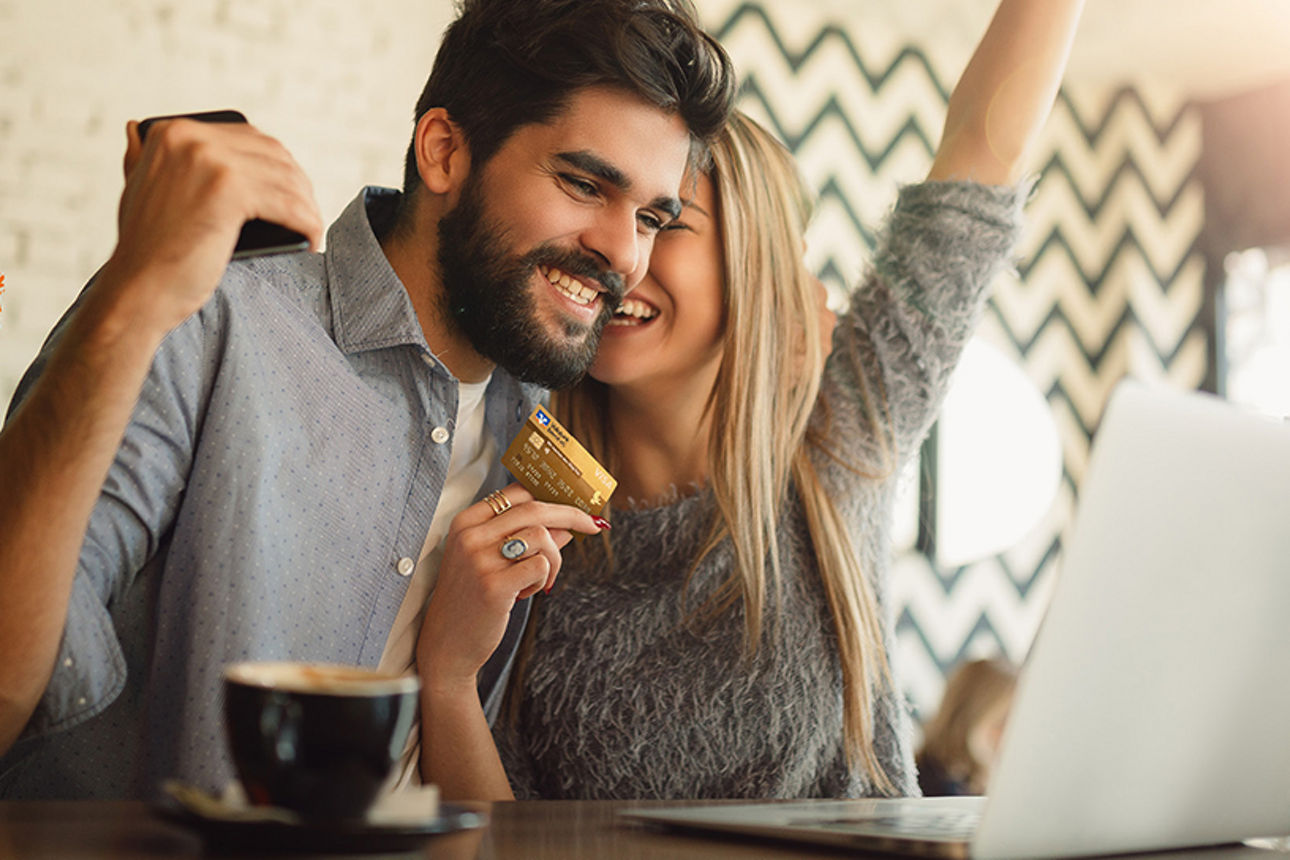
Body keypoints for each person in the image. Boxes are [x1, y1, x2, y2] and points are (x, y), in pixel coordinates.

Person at [0, 0, 733, 798]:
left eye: (653, 218)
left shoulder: (542, 426)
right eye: (584, 183)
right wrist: (133, 298)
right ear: (445, 151)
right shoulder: (205, 321)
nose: (624, 252)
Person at [417, 0, 1084, 800]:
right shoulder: (522, 485)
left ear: (755, 260)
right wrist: (448, 680)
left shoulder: (840, 431)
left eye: (666, 222)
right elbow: (503, 833)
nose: (622, 257)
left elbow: (983, 150)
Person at [915, 658, 1019, 796]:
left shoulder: (981, 779)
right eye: (1001, 722)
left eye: (1015, 722)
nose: (1009, 734)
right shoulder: (924, 786)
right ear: (968, 718)